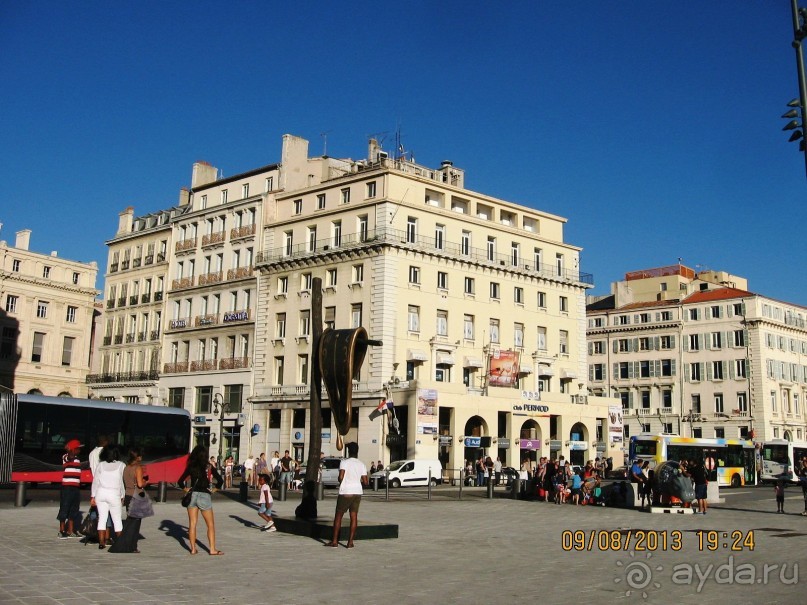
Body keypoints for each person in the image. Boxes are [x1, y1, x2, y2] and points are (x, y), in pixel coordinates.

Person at [178, 445, 224, 555]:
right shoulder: (208, 467)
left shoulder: (191, 466)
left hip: (192, 495)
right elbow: (220, 481)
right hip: (204, 495)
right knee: (210, 525)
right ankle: (212, 549)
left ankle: (193, 549)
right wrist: (214, 490)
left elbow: (180, 481)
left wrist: (186, 489)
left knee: (192, 524)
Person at [325, 442, 368, 548]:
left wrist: (342, 480)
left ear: (349, 451)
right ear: (357, 451)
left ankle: (335, 541)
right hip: (357, 492)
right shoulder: (361, 464)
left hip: (346, 491)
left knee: (338, 516)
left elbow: (340, 477)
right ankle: (350, 542)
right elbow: (366, 481)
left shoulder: (344, 462)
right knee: (354, 517)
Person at [111, 447, 149, 554]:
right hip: (136, 496)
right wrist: (146, 482)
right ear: (137, 457)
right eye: (140, 455)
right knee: (135, 523)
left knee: (129, 520)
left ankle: (126, 543)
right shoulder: (138, 468)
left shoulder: (126, 468)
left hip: (128, 495)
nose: (141, 457)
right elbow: (140, 484)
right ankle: (132, 546)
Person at [91, 445, 125, 550]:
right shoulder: (121, 465)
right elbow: (121, 483)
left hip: (101, 493)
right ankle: (120, 543)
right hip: (114, 494)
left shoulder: (101, 465)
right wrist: (122, 495)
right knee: (117, 520)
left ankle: (102, 542)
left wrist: (93, 496)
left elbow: (95, 482)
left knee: (102, 518)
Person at [57, 439, 83, 539]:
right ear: (73, 449)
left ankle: (70, 530)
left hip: (75, 487)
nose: (79, 451)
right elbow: (69, 457)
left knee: (74, 508)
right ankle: (62, 530)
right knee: (64, 507)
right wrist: (69, 450)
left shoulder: (77, 459)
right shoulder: (66, 457)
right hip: (67, 487)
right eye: (78, 449)